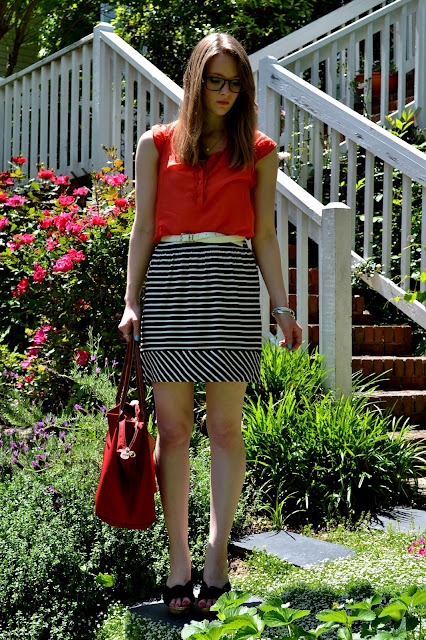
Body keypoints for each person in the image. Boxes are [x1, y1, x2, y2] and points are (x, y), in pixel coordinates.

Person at [118, 32, 302, 616]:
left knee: (225, 430)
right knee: (173, 433)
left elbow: (264, 234)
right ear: (196, 81)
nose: (225, 92)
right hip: (171, 285)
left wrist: (282, 306)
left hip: (231, 285)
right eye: (215, 81)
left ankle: (216, 559)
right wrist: (131, 302)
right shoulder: (156, 144)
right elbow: (142, 227)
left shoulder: (259, 150)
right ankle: (178, 563)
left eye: (235, 83)